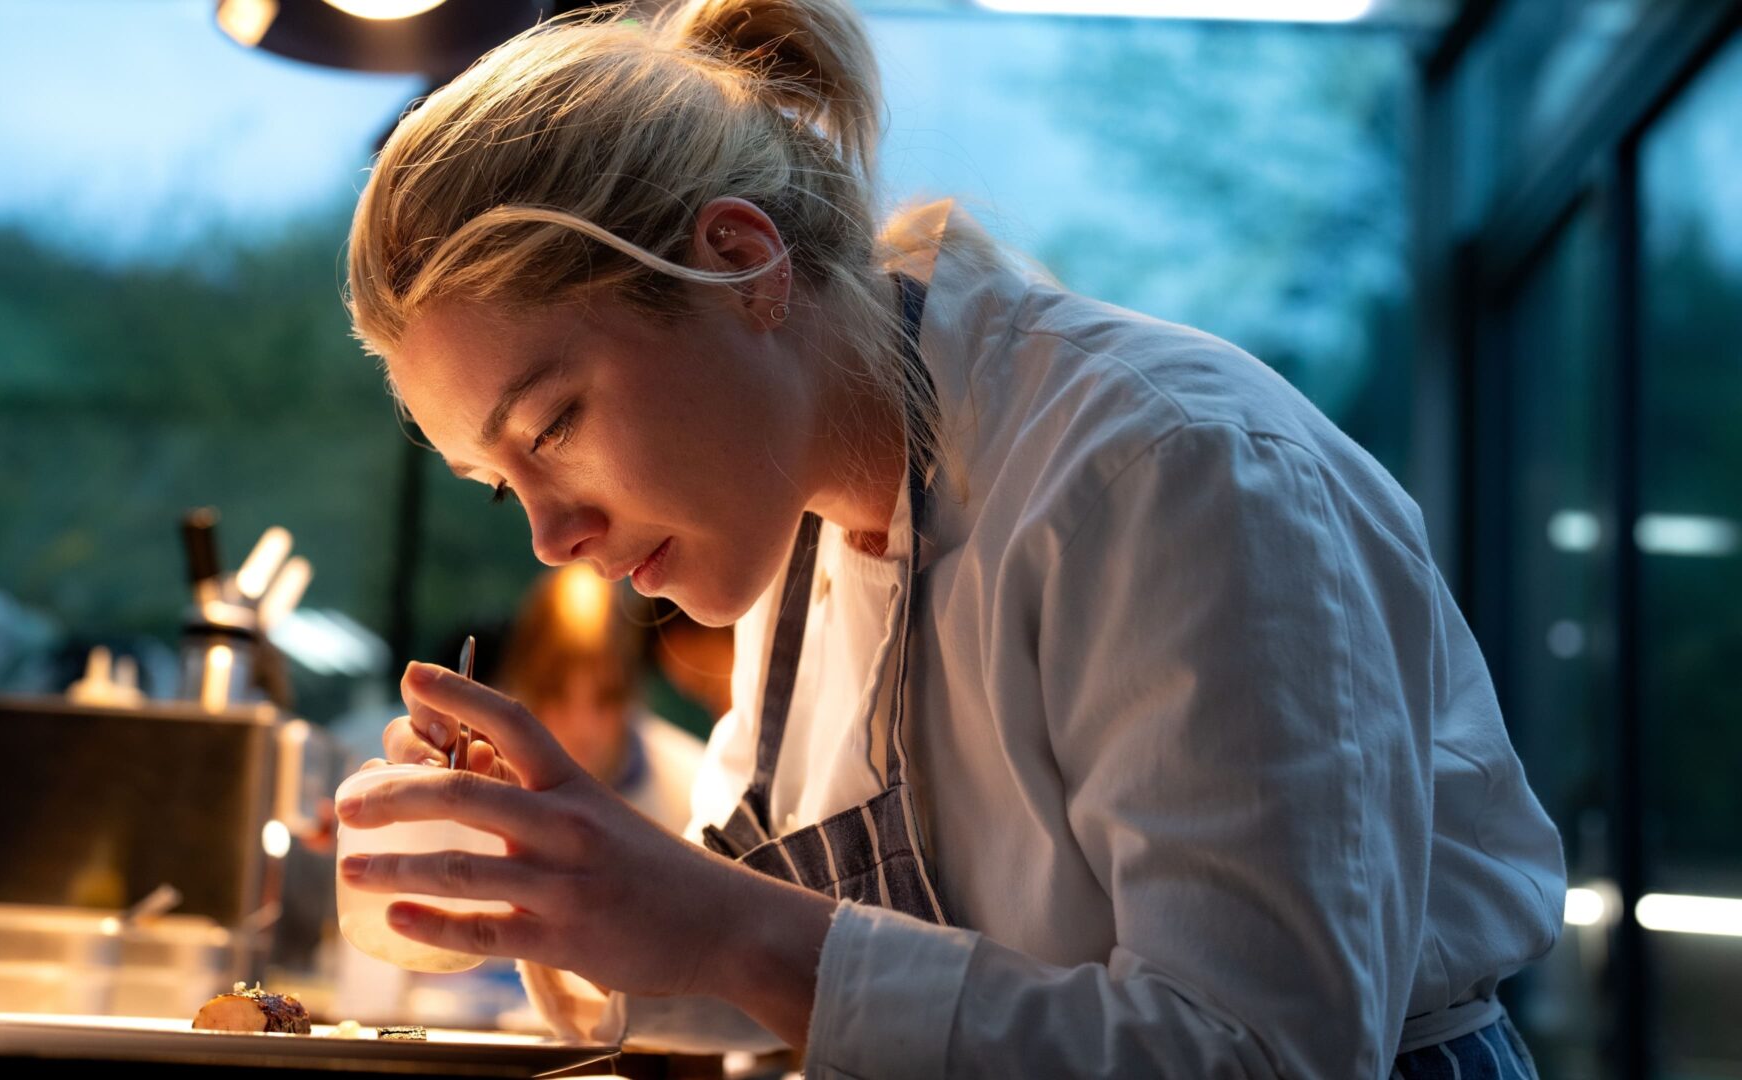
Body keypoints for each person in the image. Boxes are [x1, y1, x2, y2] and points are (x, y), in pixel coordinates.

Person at [332, 0, 1568, 1074]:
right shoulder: (791, 539)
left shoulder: (1167, 469)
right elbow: (804, 1001)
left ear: (743, 264)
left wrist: (724, 927)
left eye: (551, 426)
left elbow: (1260, 1054)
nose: (551, 539)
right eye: (497, 483)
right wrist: (544, 888)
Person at [496, 563, 704, 832]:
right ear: (524, 685)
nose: (583, 726)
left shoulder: (695, 794)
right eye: (555, 693)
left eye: (606, 698)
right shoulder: (486, 779)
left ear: (631, 689)